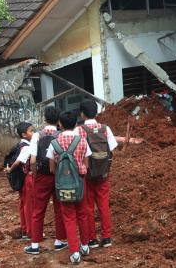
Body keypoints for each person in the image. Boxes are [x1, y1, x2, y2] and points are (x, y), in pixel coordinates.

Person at [47, 111, 91, 265]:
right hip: (79, 182)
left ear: (60, 124)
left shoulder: (54, 142)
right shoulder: (82, 140)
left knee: (69, 217)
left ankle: (74, 252)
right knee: (82, 213)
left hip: (63, 185)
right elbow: (86, 164)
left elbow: (51, 168)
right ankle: (85, 246)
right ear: (76, 124)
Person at [24, 106, 68, 254]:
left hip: (42, 176)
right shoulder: (61, 135)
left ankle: (35, 245)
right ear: (58, 120)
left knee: (38, 210)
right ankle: (59, 241)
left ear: (44, 119)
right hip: (58, 175)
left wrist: (35, 174)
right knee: (59, 208)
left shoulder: (37, 135)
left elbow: (32, 160)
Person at [77, 99, 117, 249]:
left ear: (82, 113)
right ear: (96, 112)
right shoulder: (105, 129)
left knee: (87, 207)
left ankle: (92, 239)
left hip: (86, 174)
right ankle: (106, 238)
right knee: (103, 205)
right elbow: (113, 148)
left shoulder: (79, 130)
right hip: (103, 173)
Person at [4, 122, 35, 240]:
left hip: (21, 178)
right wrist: (10, 170)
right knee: (29, 205)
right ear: (24, 134)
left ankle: (24, 229)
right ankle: (30, 232)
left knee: (23, 203)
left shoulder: (20, 144)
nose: (34, 133)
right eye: (31, 131)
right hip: (26, 178)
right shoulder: (26, 147)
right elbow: (18, 161)